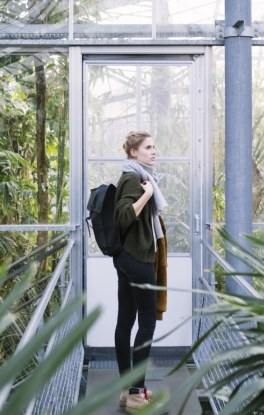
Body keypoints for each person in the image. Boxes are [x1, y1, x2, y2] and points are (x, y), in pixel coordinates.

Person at [113, 131, 168, 413]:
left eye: (154, 147)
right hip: (138, 258)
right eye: (148, 147)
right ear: (134, 152)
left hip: (127, 259)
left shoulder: (133, 174)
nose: (153, 151)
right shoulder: (134, 178)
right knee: (146, 324)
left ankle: (127, 390)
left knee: (125, 322)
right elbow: (124, 216)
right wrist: (147, 195)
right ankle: (136, 394)